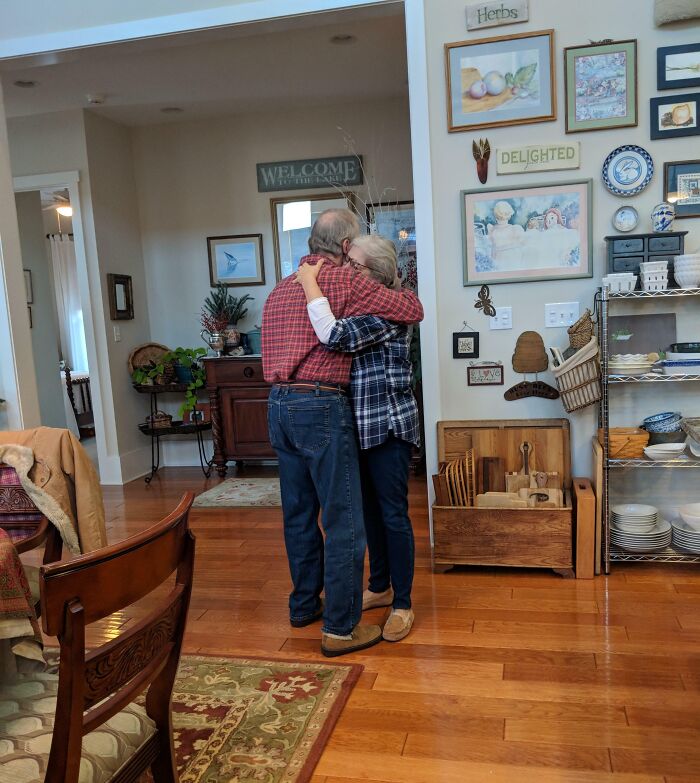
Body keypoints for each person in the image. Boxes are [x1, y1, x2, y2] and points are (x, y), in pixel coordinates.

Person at [262, 209, 423, 657]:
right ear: (347, 244)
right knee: (344, 520)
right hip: (320, 404)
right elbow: (413, 307)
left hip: (277, 405)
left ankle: (303, 606)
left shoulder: (280, 288)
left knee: (298, 515)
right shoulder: (347, 282)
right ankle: (339, 627)